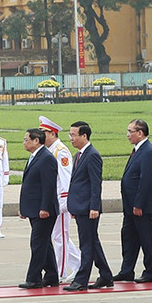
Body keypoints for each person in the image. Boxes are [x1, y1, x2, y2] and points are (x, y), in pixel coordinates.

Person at [63, 121, 113, 291]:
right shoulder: (79, 155)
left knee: (87, 244)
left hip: (88, 208)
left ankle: (81, 280)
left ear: (84, 136)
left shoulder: (92, 155)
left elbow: (95, 183)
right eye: (70, 135)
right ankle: (106, 275)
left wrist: (94, 207)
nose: (71, 138)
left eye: (73, 135)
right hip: (80, 206)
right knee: (92, 242)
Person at [114, 118, 152, 282]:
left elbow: (145, 181)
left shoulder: (148, 152)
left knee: (146, 240)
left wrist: (139, 204)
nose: (127, 135)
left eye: (130, 131)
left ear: (140, 133)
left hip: (141, 206)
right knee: (128, 238)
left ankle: (150, 272)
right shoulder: (138, 150)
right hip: (130, 206)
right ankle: (127, 270)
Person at [39, 115, 81, 282]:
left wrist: (64, 201)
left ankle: (60, 272)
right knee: (58, 236)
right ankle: (79, 262)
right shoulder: (49, 150)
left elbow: (65, 177)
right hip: (52, 199)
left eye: (44, 132)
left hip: (60, 200)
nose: (42, 136)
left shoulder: (60, 151)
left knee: (60, 236)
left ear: (53, 133)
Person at [17, 127, 59, 288]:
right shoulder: (35, 157)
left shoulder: (46, 158)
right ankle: (52, 276)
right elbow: (29, 185)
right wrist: (24, 207)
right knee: (44, 243)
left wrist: (45, 208)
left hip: (44, 211)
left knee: (37, 243)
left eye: (26, 140)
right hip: (34, 208)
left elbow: (49, 186)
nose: (24, 143)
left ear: (36, 141)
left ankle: (34, 278)